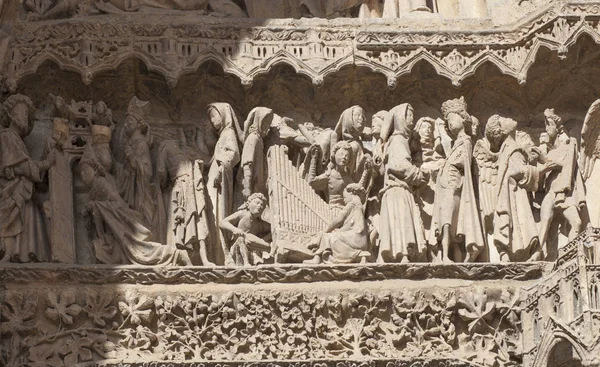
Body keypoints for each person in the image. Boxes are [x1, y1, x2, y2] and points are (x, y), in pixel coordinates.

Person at [81, 145, 190, 265]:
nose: (82, 175)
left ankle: (174, 254)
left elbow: (117, 202)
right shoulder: (93, 189)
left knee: (141, 251)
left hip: (123, 223)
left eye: (85, 171)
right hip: (113, 230)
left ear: (95, 171)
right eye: (81, 172)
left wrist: (97, 206)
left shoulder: (101, 183)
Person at [489, 115, 559, 262]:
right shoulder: (510, 148)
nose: (509, 117)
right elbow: (515, 172)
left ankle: (511, 255)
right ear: (502, 131)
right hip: (513, 195)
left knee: (520, 226)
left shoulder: (511, 147)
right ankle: (511, 255)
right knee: (519, 223)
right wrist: (541, 170)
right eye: (504, 119)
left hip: (515, 193)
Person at [428, 97, 484, 263]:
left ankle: (448, 256)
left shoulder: (466, 141)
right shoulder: (454, 144)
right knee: (446, 223)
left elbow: (463, 161)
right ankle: (446, 255)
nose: (450, 124)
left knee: (449, 224)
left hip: (454, 186)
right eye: (448, 122)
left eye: (452, 119)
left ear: (462, 118)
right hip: (447, 186)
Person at [0, 94, 53, 262]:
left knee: (29, 212)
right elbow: (19, 165)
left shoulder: (17, 140)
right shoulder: (7, 136)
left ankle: (22, 253)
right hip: (12, 190)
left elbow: (26, 165)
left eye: (26, 115)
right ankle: (9, 254)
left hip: (23, 190)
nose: (25, 117)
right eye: (22, 113)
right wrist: (45, 164)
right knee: (17, 213)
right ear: (10, 116)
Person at [377, 103, 428, 264]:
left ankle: (401, 254)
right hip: (397, 190)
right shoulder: (398, 139)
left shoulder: (397, 140)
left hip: (396, 190)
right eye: (410, 115)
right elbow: (398, 165)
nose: (412, 120)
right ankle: (403, 254)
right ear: (400, 118)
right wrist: (419, 175)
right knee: (400, 221)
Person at [537, 109, 586, 258]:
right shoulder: (548, 152)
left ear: (557, 129)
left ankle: (571, 256)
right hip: (551, 193)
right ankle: (539, 254)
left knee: (577, 223)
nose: (546, 129)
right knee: (546, 225)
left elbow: (565, 164)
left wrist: (545, 160)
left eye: (549, 126)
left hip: (565, 195)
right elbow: (539, 177)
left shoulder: (568, 146)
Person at [206, 103, 242, 265]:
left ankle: (223, 253)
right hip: (216, 178)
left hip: (220, 181)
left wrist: (220, 170)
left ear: (224, 115)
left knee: (217, 212)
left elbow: (233, 154)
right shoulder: (222, 136)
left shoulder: (228, 133)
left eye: (214, 115)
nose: (212, 120)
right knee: (213, 212)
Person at [305, 183, 370, 264]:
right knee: (333, 235)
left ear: (351, 193)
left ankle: (317, 257)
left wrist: (325, 230)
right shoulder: (359, 206)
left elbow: (338, 219)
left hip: (355, 238)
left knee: (326, 236)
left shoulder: (352, 204)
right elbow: (351, 225)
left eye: (345, 197)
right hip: (360, 239)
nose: (344, 200)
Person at [219, 193, 272, 266]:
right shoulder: (242, 214)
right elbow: (222, 223)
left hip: (252, 249)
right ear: (248, 204)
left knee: (251, 240)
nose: (259, 206)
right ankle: (246, 263)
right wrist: (235, 229)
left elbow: (273, 230)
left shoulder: (260, 223)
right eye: (257, 203)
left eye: (262, 205)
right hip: (237, 247)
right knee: (242, 239)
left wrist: (263, 239)